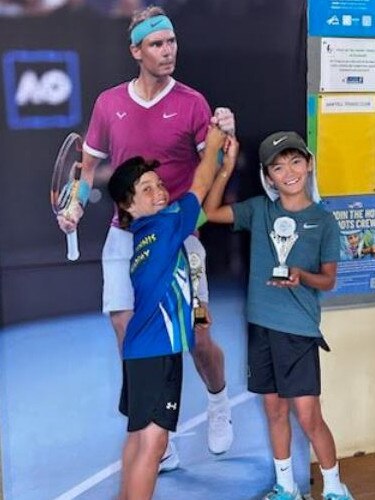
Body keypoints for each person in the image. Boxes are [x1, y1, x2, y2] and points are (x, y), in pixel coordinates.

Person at [57, 5, 234, 466]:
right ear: (136, 51)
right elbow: (89, 167)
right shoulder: (108, 103)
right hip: (123, 235)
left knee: (198, 338)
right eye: (157, 44)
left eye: (171, 41)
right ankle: (159, 429)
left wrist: (225, 142)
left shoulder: (193, 103)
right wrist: (76, 203)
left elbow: (210, 166)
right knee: (127, 330)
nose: (168, 50)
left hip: (177, 237)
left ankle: (218, 403)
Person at [203, 131, 354, 500]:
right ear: (268, 176)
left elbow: (329, 280)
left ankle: (335, 489)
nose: (288, 172)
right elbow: (208, 212)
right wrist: (222, 170)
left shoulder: (324, 221)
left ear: (309, 164)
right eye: (278, 166)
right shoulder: (258, 210)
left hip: (298, 332)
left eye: (295, 161)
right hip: (261, 328)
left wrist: (302, 277)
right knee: (274, 411)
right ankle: (285, 487)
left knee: (308, 416)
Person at [107, 125, 235, 500]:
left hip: (139, 352)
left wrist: (223, 167)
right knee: (154, 442)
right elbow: (199, 184)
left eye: (159, 184)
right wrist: (213, 145)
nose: (160, 191)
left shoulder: (150, 235)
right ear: (128, 207)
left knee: (137, 439)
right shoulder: (164, 227)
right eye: (146, 189)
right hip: (157, 353)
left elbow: (187, 282)